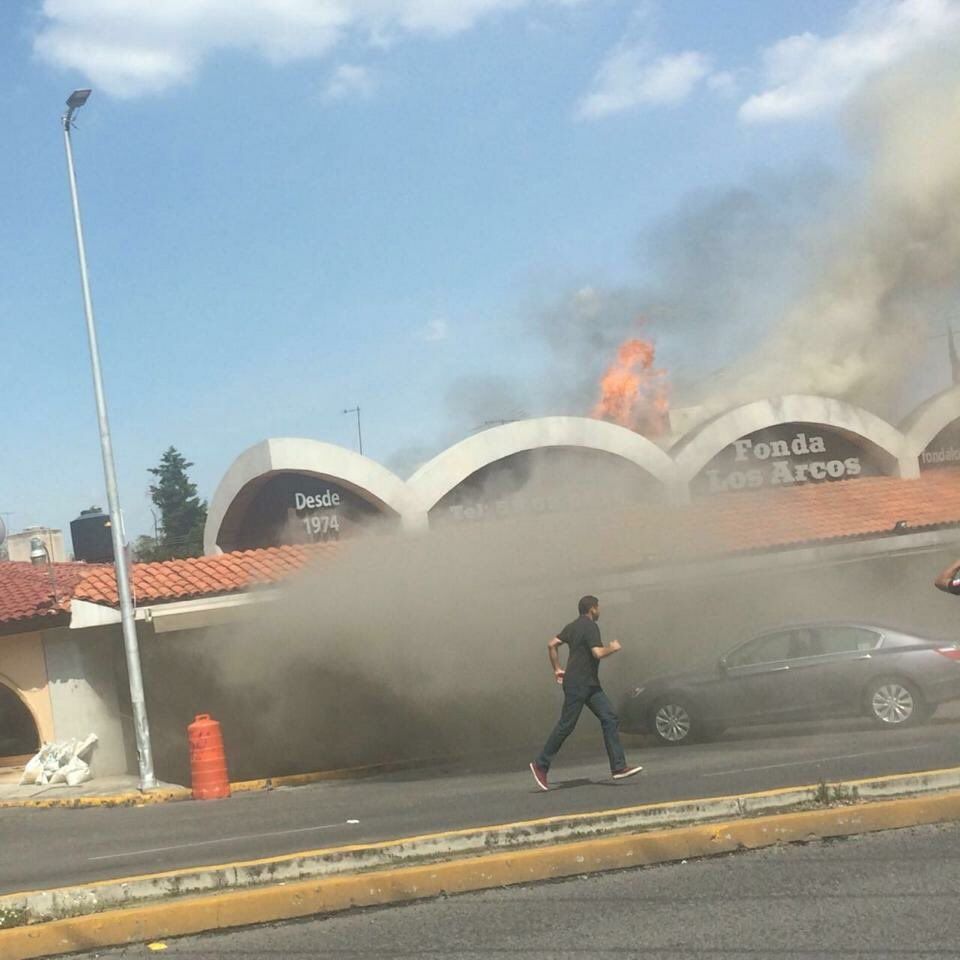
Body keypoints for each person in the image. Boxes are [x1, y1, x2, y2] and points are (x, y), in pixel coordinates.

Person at [529, 595, 642, 791]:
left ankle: (618, 767)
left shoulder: (572, 626)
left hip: (588, 684)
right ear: (592, 609)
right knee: (566, 725)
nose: (600, 611)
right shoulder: (590, 626)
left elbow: (552, 644)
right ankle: (540, 764)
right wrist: (613, 648)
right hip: (579, 683)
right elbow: (597, 653)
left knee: (609, 717)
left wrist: (557, 668)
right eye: (598, 608)